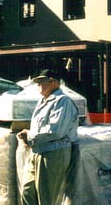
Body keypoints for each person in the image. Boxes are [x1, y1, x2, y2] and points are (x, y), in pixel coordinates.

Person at [17, 69, 79, 205]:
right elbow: (43, 128)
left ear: (54, 82)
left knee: (46, 198)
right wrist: (28, 133)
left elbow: (56, 131)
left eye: (41, 81)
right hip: (37, 151)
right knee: (27, 191)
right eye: (37, 81)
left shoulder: (63, 101)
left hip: (54, 153)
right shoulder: (43, 101)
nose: (38, 84)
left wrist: (30, 136)